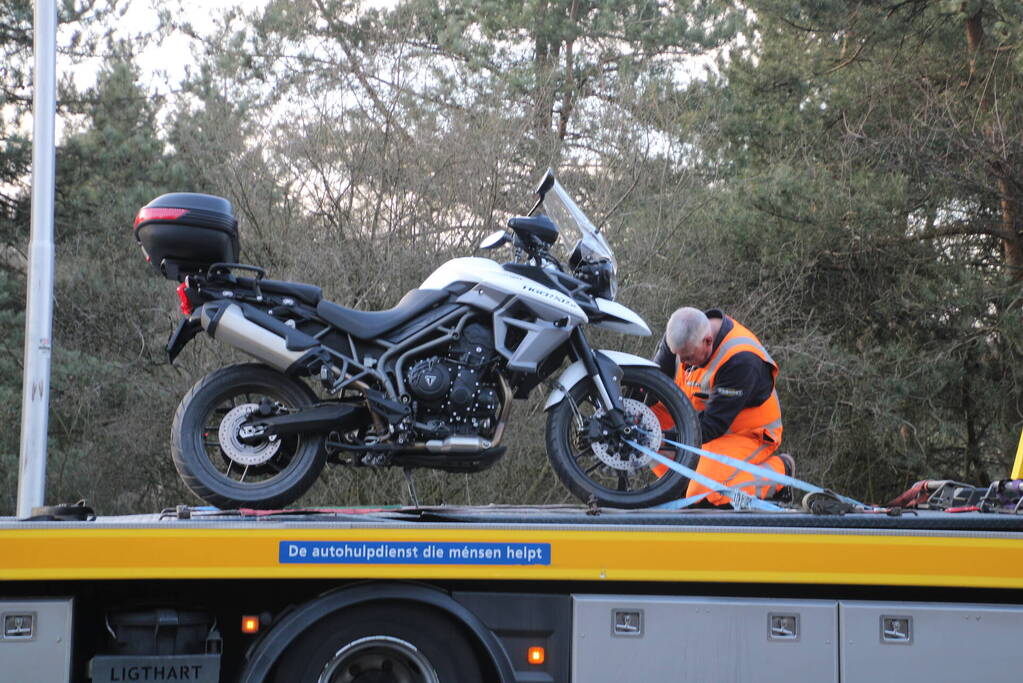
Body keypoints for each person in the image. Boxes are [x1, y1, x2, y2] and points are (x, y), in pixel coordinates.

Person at [652, 307, 791, 505]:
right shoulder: (681, 337)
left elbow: (712, 425)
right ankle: (679, 487)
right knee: (644, 426)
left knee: (704, 496)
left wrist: (665, 437)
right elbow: (653, 382)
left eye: (688, 357)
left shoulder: (741, 359)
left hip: (744, 433)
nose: (682, 363)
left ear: (707, 341)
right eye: (678, 356)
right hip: (698, 422)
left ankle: (779, 472)